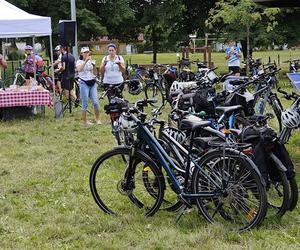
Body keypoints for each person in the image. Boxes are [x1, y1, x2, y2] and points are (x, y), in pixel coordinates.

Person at [76, 47, 101, 126]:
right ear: (81, 54)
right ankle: (85, 122)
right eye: (85, 52)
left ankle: (98, 119)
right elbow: (79, 69)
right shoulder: (79, 62)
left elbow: (95, 73)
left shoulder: (91, 61)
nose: (86, 54)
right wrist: (86, 61)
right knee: (85, 103)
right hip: (83, 83)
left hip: (92, 82)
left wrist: (94, 66)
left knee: (96, 102)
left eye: (87, 52)